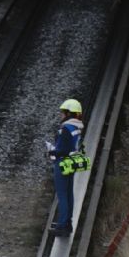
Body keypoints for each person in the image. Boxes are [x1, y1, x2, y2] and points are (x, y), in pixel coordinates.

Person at [46, 99, 85, 237]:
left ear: (69, 113)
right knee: (69, 193)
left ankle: (62, 225)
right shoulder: (77, 127)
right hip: (71, 163)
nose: (61, 115)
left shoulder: (65, 129)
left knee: (62, 194)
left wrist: (51, 151)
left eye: (62, 113)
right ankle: (68, 223)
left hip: (62, 163)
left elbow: (61, 149)